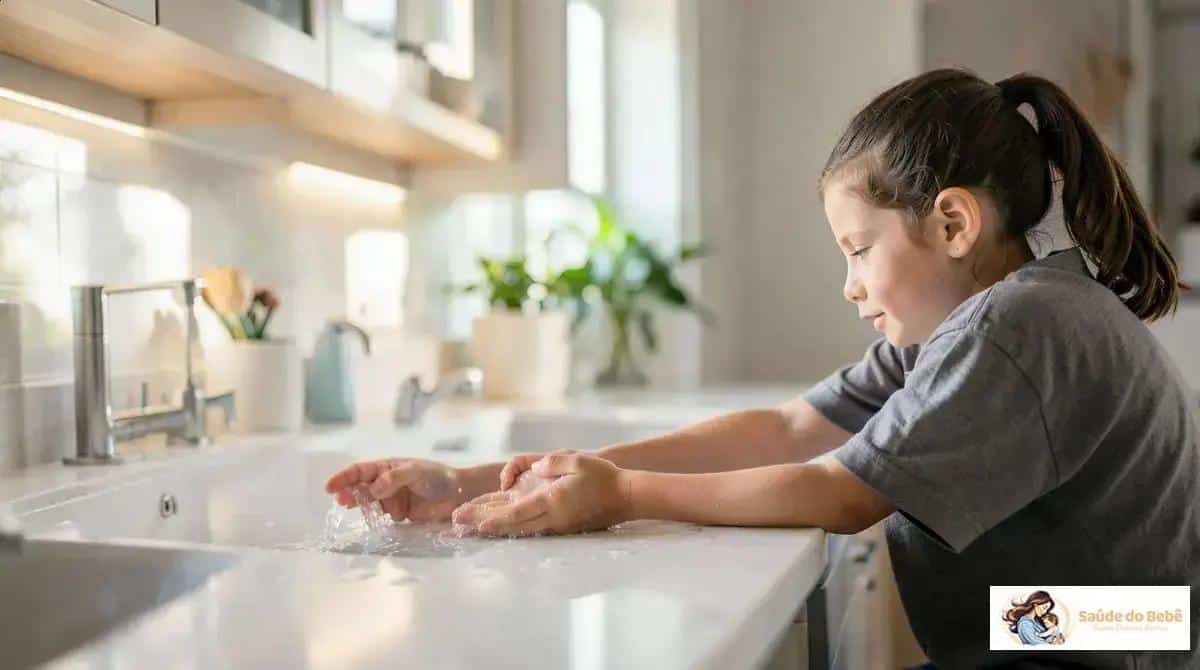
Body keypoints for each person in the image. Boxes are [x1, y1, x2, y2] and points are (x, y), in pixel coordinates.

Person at [325, 68, 1200, 668]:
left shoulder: (1016, 324)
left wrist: (622, 496)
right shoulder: (967, 327)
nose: (849, 285)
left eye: (859, 250)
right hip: (1113, 627)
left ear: (954, 224)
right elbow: (786, 428)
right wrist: (475, 480)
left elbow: (843, 490)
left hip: (1130, 639)